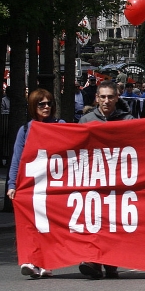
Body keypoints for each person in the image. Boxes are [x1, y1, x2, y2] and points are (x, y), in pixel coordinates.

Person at [78, 80, 134, 279]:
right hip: (94, 182)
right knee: (94, 223)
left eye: (111, 97)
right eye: (103, 97)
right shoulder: (86, 121)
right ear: (96, 98)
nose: (106, 101)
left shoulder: (128, 121)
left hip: (120, 183)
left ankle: (111, 263)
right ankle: (93, 260)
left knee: (114, 224)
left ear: (117, 98)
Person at [8, 88, 63, 279]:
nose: (46, 107)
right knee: (32, 225)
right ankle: (31, 260)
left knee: (51, 227)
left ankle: (45, 263)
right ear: (33, 106)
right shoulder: (25, 130)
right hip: (32, 186)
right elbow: (17, 159)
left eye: (49, 103)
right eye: (42, 104)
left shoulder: (61, 125)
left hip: (57, 185)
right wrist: (11, 185)